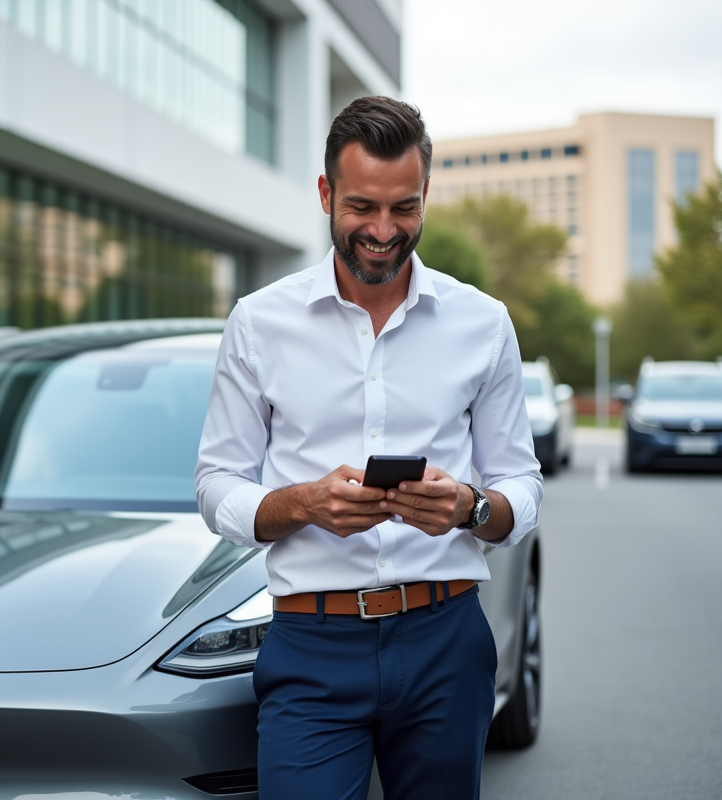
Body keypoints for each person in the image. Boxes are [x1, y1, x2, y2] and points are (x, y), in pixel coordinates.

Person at [194, 97, 543, 800]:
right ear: (325, 194)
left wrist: (469, 508)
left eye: (403, 208)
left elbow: (524, 489)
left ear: (424, 196)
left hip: (446, 640)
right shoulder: (259, 323)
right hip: (311, 649)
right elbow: (215, 483)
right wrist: (302, 504)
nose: (384, 231)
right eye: (362, 207)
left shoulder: (483, 323)